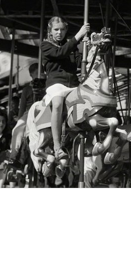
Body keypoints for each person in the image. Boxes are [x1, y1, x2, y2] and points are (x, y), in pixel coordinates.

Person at [41, 16, 90, 162]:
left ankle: (89, 140)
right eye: (56, 30)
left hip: (72, 84)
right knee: (57, 103)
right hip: (56, 84)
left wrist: (85, 48)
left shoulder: (71, 46)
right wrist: (78, 36)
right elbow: (60, 53)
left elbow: (75, 63)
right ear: (50, 31)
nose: (59, 32)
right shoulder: (45, 45)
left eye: (62, 29)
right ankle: (57, 147)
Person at [9, 63, 46, 163]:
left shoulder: (46, 85)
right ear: (31, 75)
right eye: (37, 73)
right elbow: (22, 107)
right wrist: (20, 119)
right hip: (30, 112)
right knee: (17, 130)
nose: (40, 75)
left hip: (44, 108)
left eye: (42, 72)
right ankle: (14, 155)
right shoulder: (27, 89)